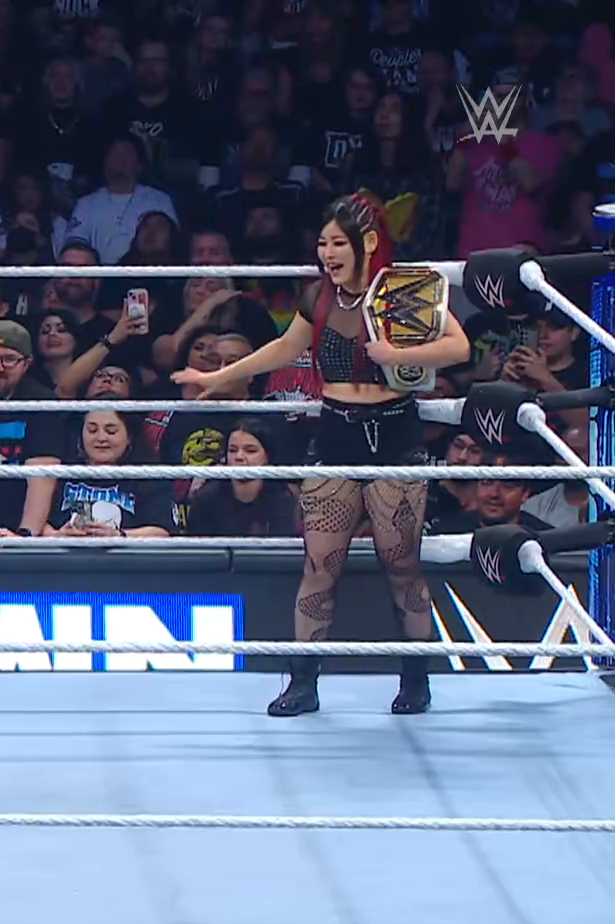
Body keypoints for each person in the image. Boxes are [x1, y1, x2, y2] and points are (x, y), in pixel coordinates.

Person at [172, 195, 470, 717]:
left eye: (337, 243)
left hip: (394, 435)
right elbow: (284, 349)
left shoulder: (401, 289)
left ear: (367, 243)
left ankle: (415, 678)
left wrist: (400, 354)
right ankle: (303, 682)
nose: (327, 253)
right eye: (322, 243)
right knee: (318, 566)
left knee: (401, 565)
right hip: (335, 436)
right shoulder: (320, 296)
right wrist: (218, 377)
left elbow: (458, 347)